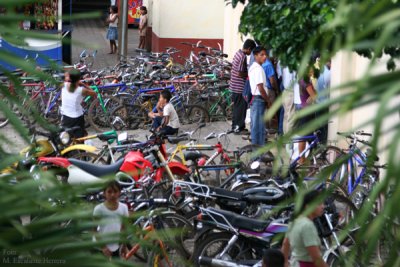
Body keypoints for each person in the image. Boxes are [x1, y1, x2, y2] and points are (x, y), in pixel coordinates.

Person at [282, 190, 327, 267]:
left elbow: (285, 244)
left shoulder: (294, 221)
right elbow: (316, 258)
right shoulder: (307, 225)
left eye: (323, 203)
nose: (323, 206)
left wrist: (285, 263)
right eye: (319, 204)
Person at [93, 181, 129, 259]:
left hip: (115, 247)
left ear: (119, 192)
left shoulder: (123, 207)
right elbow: (94, 230)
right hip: (99, 247)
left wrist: (124, 245)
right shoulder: (99, 209)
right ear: (104, 193)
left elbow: (124, 228)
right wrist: (103, 247)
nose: (112, 194)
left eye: (115, 191)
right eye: (109, 192)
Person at [230, 39, 256, 133]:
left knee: (237, 108)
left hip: (234, 86)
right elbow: (240, 73)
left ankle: (235, 127)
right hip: (239, 87)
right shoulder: (242, 56)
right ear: (248, 49)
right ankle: (239, 128)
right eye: (251, 51)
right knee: (240, 109)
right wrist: (249, 74)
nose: (251, 54)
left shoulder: (238, 53)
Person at [61, 70, 96, 138]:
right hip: (77, 118)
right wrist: (83, 84)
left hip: (65, 117)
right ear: (79, 79)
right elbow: (94, 93)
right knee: (79, 139)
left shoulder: (63, 85)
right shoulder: (81, 90)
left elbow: (62, 98)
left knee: (68, 139)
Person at [249, 46, 270, 146]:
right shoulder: (258, 69)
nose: (264, 57)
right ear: (255, 56)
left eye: (265, 54)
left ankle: (257, 152)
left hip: (256, 100)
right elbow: (261, 88)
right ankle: (257, 153)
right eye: (262, 55)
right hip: (258, 99)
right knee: (258, 128)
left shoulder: (254, 67)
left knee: (257, 126)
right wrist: (268, 100)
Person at [297, 65, 318, 164]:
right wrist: (314, 95)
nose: (312, 71)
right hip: (307, 111)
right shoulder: (306, 82)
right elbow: (314, 96)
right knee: (304, 136)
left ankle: (302, 158)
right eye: (310, 69)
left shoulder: (302, 80)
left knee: (304, 136)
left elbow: (314, 95)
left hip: (303, 109)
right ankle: (302, 159)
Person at [316, 60, 331, 144]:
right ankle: (323, 145)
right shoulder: (329, 73)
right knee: (324, 127)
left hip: (318, 102)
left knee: (319, 127)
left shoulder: (317, 71)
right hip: (325, 104)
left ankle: (319, 144)